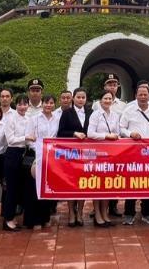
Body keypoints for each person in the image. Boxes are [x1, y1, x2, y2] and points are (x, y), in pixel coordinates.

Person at [119, 82, 149, 225]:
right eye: (140, 94)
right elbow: (121, 128)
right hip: (133, 153)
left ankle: (147, 212)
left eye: (145, 94)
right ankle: (129, 213)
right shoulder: (129, 110)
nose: (143, 97)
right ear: (135, 95)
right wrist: (130, 133)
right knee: (132, 183)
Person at [25, 94, 60, 228]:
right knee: (34, 189)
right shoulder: (34, 119)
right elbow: (29, 139)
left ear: (54, 105)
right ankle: (34, 220)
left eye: (51, 103)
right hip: (37, 156)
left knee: (47, 188)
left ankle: (45, 217)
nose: (48, 105)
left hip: (51, 157)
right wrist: (40, 149)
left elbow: (57, 137)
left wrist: (50, 150)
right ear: (42, 104)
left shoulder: (57, 119)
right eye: (46, 102)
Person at [88, 90, 122, 226]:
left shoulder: (115, 115)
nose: (107, 101)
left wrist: (114, 136)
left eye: (110, 99)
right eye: (105, 98)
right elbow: (90, 133)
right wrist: (106, 136)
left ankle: (105, 213)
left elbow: (118, 133)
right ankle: (97, 214)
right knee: (98, 185)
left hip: (112, 153)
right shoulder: (95, 115)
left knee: (108, 184)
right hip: (98, 153)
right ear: (100, 101)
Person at [58, 87, 91, 227]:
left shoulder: (91, 113)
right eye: (78, 97)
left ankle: (80, 212)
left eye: (83, 97)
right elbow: (60, 132)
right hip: (71, 154)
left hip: (87, 154)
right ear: (73, 98)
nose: (81, 100)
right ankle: (71, 212)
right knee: (71, 184)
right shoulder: (67, 113)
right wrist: (74, 134)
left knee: (83, 184)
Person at [2, 94, 31, 231]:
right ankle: (7, 219)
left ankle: (13, 217)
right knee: (11, 189)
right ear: (16, 105)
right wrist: (26, 138)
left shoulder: (28, 119)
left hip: (24, 155)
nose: (22, 107)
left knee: (19, 188)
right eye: (20, 104)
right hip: (12, 154)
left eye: (25, 104)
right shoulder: (10, 119)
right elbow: (11, 140)